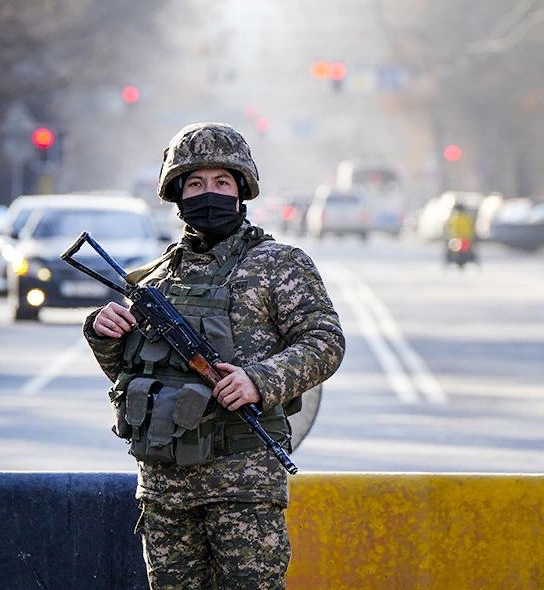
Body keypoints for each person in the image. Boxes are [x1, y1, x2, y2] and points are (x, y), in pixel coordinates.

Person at [82, 122, 345, 589]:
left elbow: (324, 342)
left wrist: (260, 380)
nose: (209, 193)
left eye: (221, 182)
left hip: (242, 485)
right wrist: (105, 335)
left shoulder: (278, 264)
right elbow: (134, 372)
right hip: (165, 487)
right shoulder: (155, 279)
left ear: (241, 191)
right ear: (177, 194)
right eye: (196, 183)